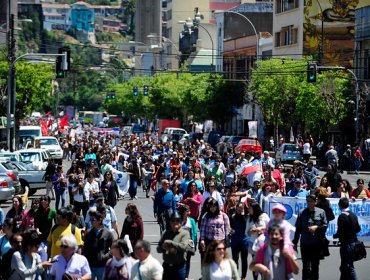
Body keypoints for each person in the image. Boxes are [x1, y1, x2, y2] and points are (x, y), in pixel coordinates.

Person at [293, 194, 328, 280]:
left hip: (317, 244)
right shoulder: (302, 212)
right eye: (307, 201)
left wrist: (317, 227)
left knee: (315, 266)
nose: (309, 203)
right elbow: (298, 229)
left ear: (315, 202)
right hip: (305, 244)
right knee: (306, 267)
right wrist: (295, 243)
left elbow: (325, 226)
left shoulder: (321, 212)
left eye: (311, 201)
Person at [333, 197, 361, 280]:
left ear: (340, 205)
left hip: (346, 245)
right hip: (354, 243)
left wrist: (335, 236)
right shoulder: (353, 214)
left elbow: (340, 232)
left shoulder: (342, 216)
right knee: (344, 267)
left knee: (349, 267)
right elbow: (358, 229)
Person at [157, 211, 190, 280]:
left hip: (179, 267)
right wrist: (163, 247)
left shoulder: (184, 233)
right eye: (173, 220)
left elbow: (183, 247)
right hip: (167, 267)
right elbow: (158, 248)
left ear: (181, 222)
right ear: (170, 222)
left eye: (177, 220)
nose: (175, 222)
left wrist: (170, 242)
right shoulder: (166, 233)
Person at [84, 210, 113, 280]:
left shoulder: (108, 233)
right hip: (90, 265)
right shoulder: (88, 232)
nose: (91, 221)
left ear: (100, 220)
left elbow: (113, 249)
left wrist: (105, 257)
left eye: (93, 220)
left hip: (102, 265)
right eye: (90, 219)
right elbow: (85, 248)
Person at [229, 202, 249, 280]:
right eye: (238, 208)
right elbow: (230, 226)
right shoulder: (233, 217)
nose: (239, 209)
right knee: (235, 259)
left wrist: (243, 214)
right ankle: (235, 276)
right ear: (236, 208)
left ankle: (243, 276)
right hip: (235, 240)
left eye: (241, 208)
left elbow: (245, 224)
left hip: (244, 240)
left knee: (244, 259)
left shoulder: (247, 217)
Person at [177, 205, 197, 279]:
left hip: (189, 243)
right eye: (187, 211)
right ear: (182, 212)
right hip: (180, 243)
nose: (189, 212)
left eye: (189, 211)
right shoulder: (178, 220)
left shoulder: (191, 220)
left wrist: (194, 243)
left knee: (187, 260)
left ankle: (186, 276)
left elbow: (194, 233)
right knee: (180, 260)